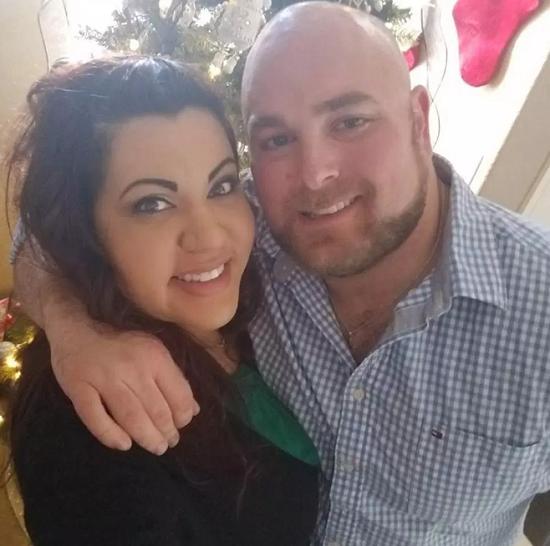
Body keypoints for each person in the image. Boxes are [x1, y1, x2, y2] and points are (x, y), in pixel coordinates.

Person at [12, 2, 550, 545]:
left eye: (350, 121)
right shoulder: (250, 230)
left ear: (418, 119)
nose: (314, 176)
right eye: (276, 139)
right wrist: (76, 331)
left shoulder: (541, 307)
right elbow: (45, 232)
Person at [6, 55, 319, 546]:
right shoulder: (91, 419)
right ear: (84, 230)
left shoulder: (275, 261)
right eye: (152, 203)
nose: (208, 235)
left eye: (221, 185)